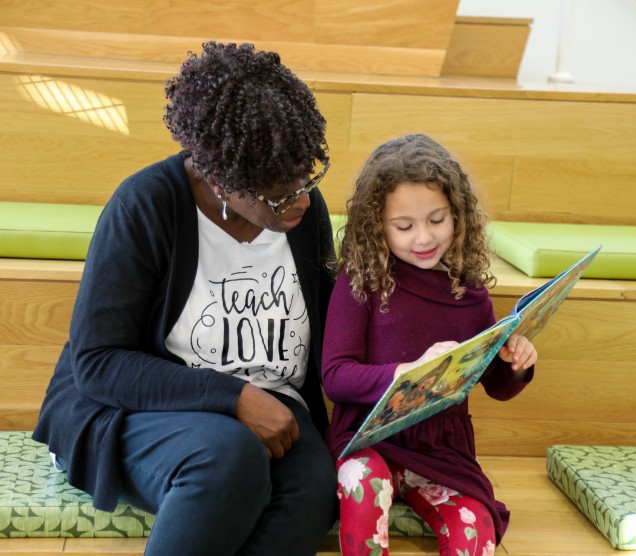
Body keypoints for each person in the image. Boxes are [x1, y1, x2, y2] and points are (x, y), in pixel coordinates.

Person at [32, 42, 338, 556]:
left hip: (277, 409)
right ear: (221, 177)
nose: (301, 200)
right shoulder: (145, 205)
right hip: (134, 412)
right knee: (229, 457)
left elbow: (332, 331)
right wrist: (234, 398)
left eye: (307, 179)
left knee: (314, 489)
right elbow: (98, 362)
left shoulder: (301, 213)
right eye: (278, 194)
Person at [322, 134, 538, 556]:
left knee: (475, 529)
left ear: (458, 215)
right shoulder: (360, 282)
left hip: (442, 450)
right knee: (361, 486)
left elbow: (492, 383)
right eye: (404, 227)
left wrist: (516, 364)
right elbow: (335, 376)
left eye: (437, 220)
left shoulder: (470, 292)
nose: (423, 237)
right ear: (377, 225)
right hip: (371, 439)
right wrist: (406, 371)